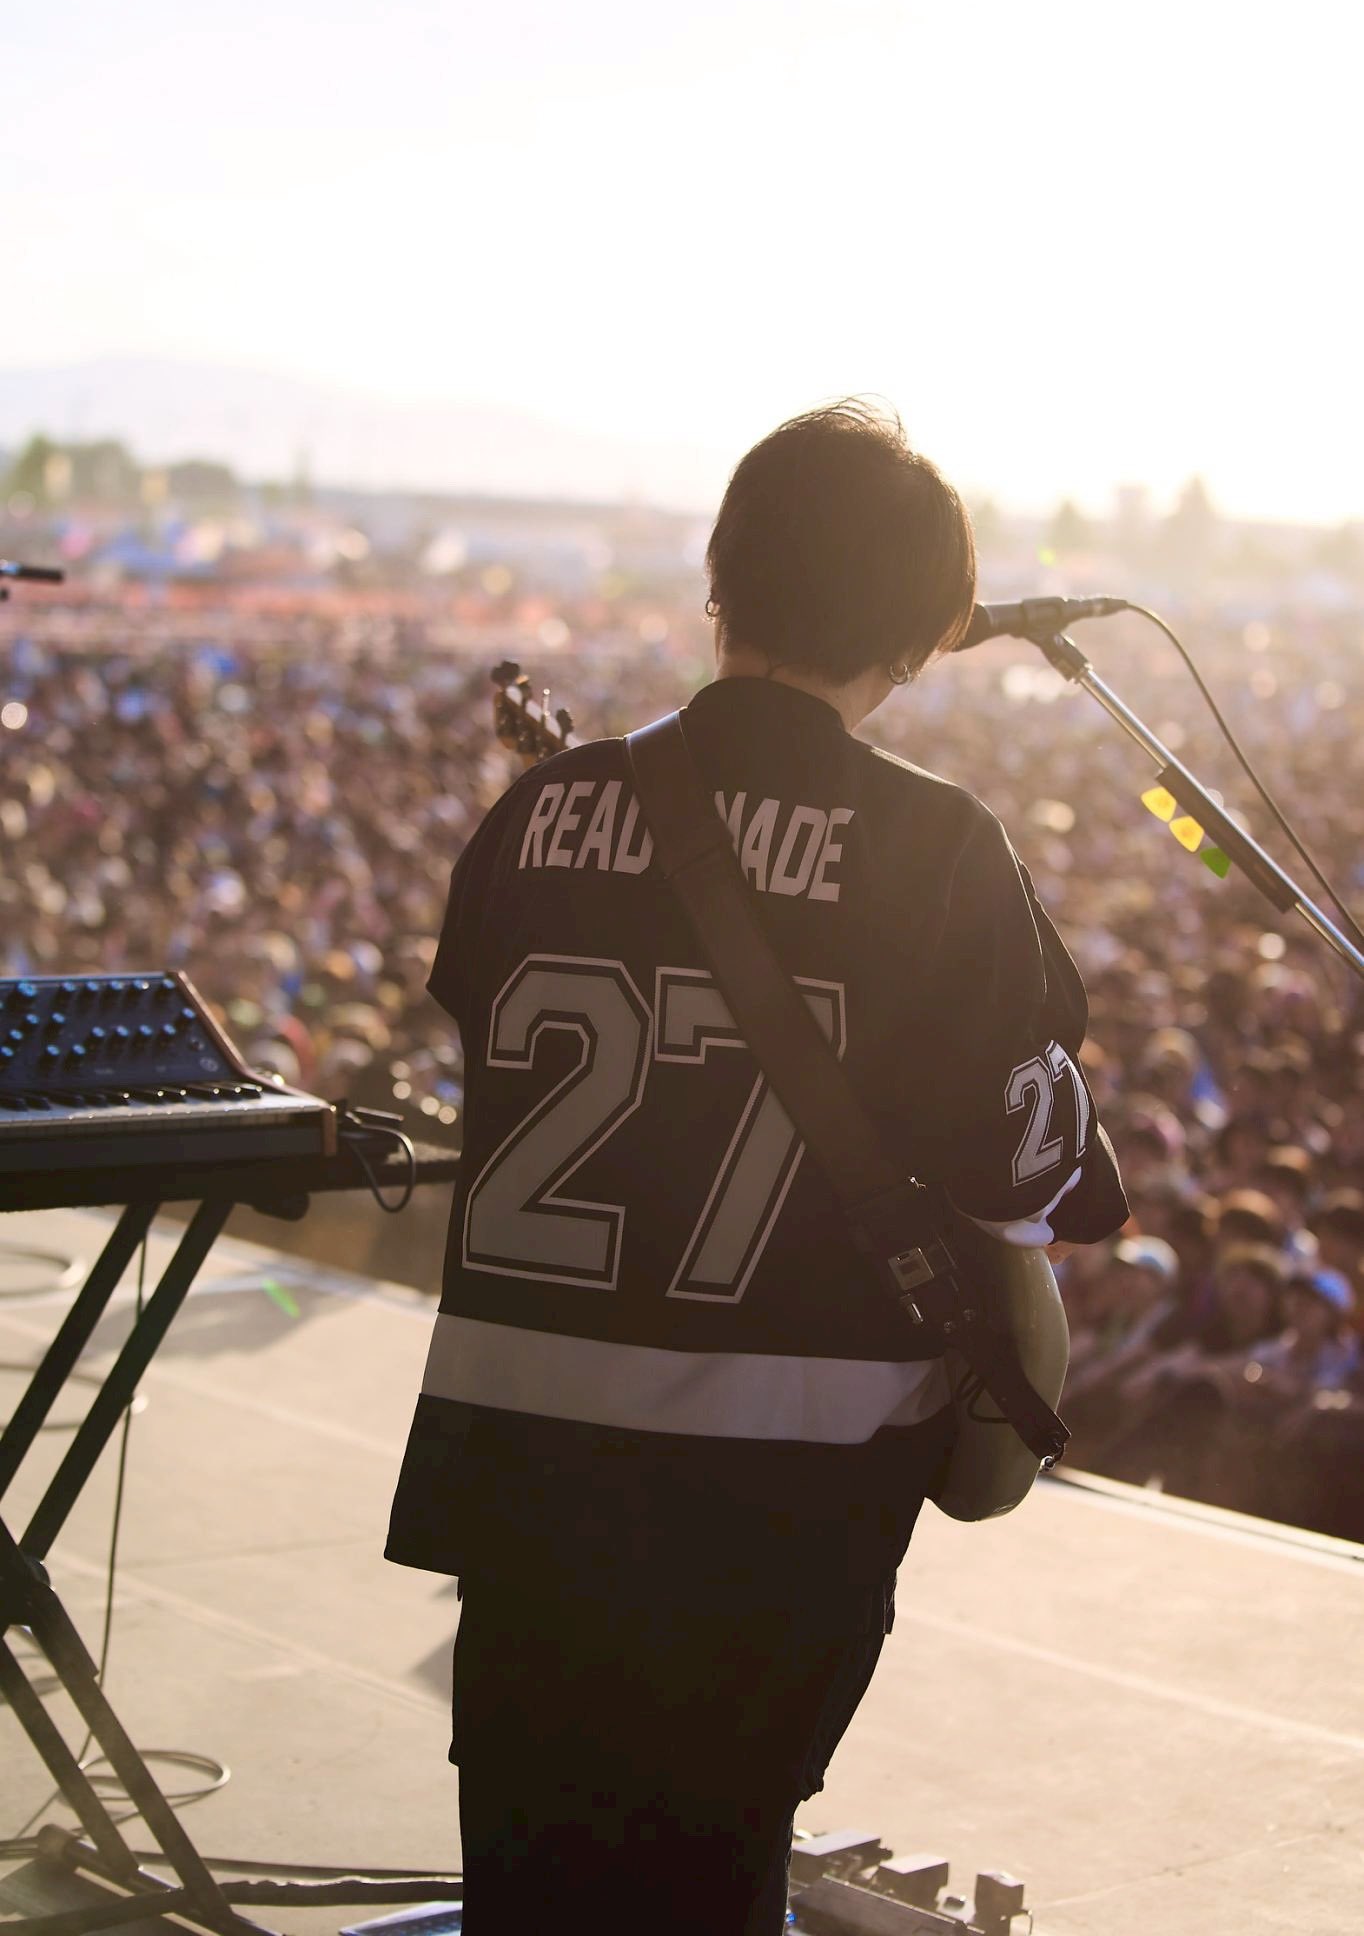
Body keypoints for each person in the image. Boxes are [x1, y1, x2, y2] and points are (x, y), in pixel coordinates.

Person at [385, 401, 1129, 1934]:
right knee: (712, 1883)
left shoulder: (532, 814)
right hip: (775, 1495)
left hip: (519, 1475)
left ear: (722, 577)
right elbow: (1023, 1180)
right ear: (923, 630)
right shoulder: (935, 847)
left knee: (529, 1889)